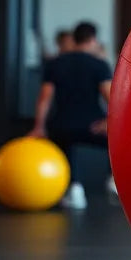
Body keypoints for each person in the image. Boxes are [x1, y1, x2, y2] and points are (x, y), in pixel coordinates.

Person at [30, 21, 116, 209]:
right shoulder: (98, 64)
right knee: (117, 139)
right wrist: (110, 121)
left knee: (63, 143)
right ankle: (114, 180)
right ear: (93, 40)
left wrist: (39, 126)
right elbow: (112, 99)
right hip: (93, 126)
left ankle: (74, 189)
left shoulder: (55, 64)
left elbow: (44, 98)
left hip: (61, 126)